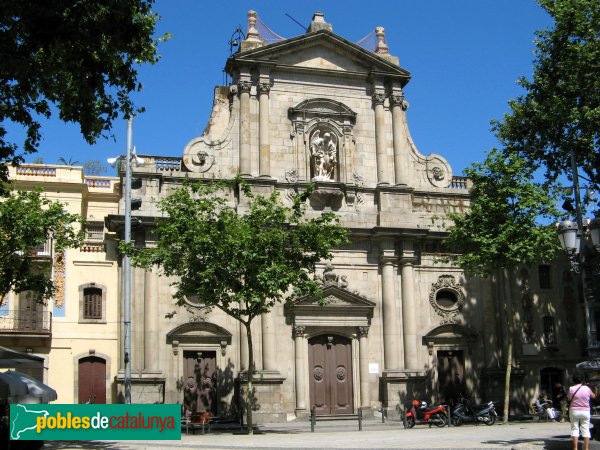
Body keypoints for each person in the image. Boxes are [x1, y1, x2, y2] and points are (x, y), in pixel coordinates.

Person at [569, 374, 596, 450]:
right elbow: (593, 396)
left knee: (574, 428)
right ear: (582, 380)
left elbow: (569, 398)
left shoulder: (571, 388)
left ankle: (575, 448)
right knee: (586, 429)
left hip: (574, 410)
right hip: (585, 410)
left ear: (573, 380)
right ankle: (586, 448)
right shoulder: (587, 388)